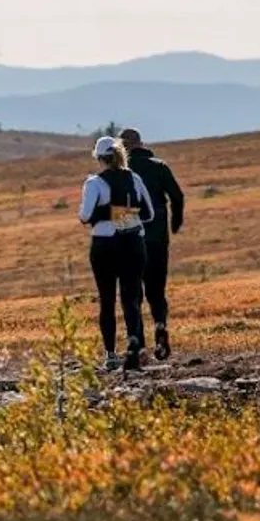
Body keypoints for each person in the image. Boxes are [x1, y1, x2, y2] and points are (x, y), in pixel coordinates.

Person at [79, 136, 157, 371]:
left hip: (105, 245)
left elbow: (84, 216)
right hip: (133, 242)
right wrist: (124, 213)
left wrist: (108, 213)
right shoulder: (134, 178)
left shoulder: (94, 183)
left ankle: (111, 354)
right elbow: (149, 213)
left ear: (99, 158)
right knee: (131, 299)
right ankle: (135, 348)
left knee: (107, 300)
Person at [120, 127, 186, 361]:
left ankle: (136, 343)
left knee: (132, 292)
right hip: (158, 235)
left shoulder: (121, 172)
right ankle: (159, 324)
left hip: (129, 238)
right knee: (156, 290)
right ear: (141, 144)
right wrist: (175, 222)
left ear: (122, 147)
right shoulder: (159, 166)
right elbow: (177, 196)